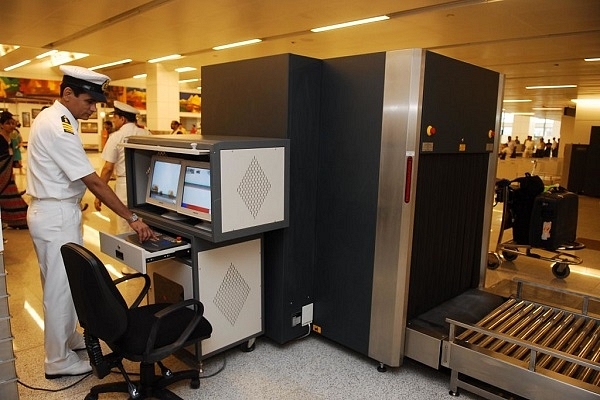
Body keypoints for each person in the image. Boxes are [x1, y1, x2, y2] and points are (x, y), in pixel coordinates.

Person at [26, 65, 156, 379]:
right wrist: (132, 218)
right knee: (59, 288)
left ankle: (67, 338)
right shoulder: (60, 126)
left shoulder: (55, 118)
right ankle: (57, 361)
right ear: (68, 94)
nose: (92, 108)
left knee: (62, 284)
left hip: (54, 211)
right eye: (88, 101)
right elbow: (96, 182)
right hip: (55, 217)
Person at [95, 101, 149, 233]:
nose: (113, 120)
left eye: (115, 117)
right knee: (145, 225)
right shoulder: (147, 134)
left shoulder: (116, 137)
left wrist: (99, 195)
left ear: (122, 119)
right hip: (146, 185)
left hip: (125, 187)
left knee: (127, 227)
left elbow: (108, 168)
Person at [0, 111, 28, 229]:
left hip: (8, 172)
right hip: (2, 172)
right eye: (8, 123)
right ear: (1, 125)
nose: (11, 126)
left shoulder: (11, 137)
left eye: (12, 123)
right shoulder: (0, 138)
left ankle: (18, 219)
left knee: (10, 194)